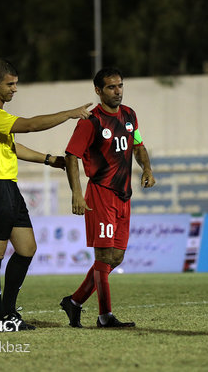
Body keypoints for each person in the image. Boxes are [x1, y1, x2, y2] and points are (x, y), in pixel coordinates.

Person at [0, 58, 92, 331]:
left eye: (16, 84)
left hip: (7, 187)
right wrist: (69, 113)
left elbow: (14, 147)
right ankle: (1, 318)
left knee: (27, 248)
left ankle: (9, 310)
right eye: (10, 84)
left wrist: (50, 159)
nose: (15, 89)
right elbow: (30, 125)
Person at [59, 67, 155, 328]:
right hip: (100, 193)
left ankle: (75, 301)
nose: (118, 91)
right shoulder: (91, 121)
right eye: (111, 87)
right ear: (98, 91)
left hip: (124, 195)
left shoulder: (129, 116)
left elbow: (138, 144)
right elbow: (71, 156)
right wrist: (77, 194)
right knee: (103, 256)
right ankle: (105, 316)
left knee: (116, 257)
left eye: (120, 86)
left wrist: (147, 167)